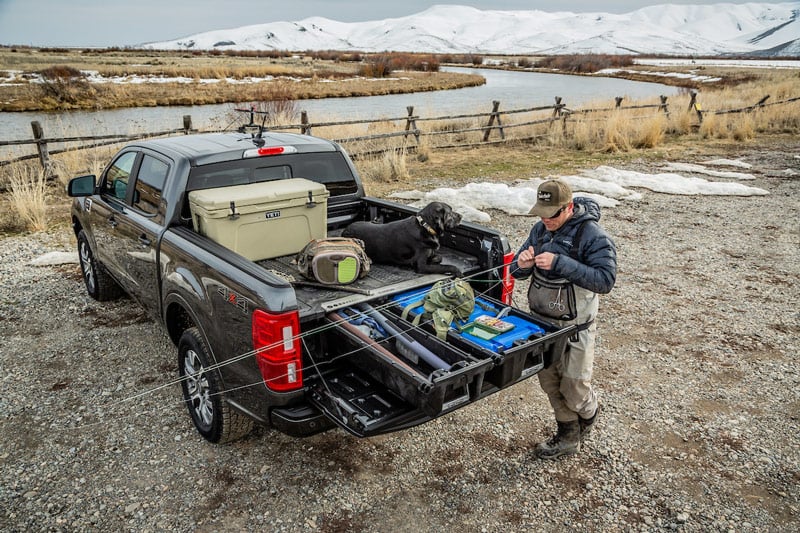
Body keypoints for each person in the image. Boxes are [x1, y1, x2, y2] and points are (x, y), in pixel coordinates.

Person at [512, 179, 617, 460]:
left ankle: (590, 412)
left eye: (552, 214)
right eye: (542, 214)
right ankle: (568, 436)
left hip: (576, 327)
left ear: (569, 208)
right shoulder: (540, 229)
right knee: (550, 383)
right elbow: (515, 271)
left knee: (574, 386)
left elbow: (606, 280)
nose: (546, 220)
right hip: (541, 326)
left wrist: (561, 263)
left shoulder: (592, 235)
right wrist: (521, 265)